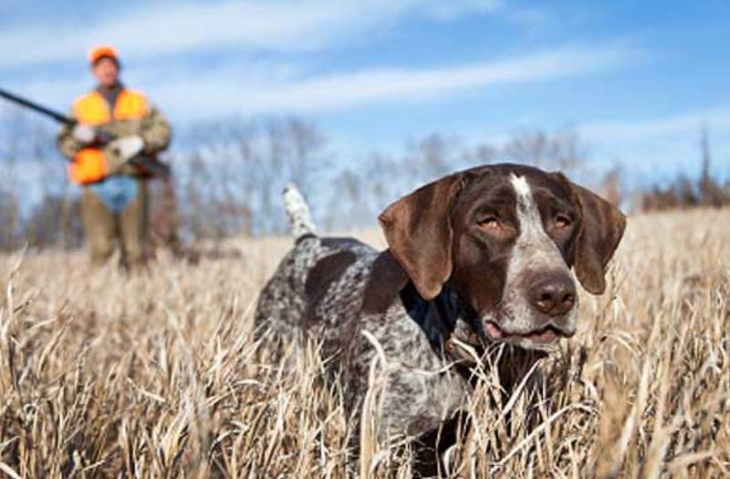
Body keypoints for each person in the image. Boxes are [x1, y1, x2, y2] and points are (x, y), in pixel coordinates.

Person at [57, 45, 171, 269]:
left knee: (137, 252)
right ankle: (99, 301)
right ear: (93, 71)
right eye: (101, 66)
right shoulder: (81, 106)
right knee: (101, 252)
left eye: (111, 65)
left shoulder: (139, 100)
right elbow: (64, 145)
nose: (107, 70)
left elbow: (163, 132)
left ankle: (139, 297)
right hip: (96, 185)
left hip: (133, 179)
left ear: (118, 68)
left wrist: (141, 143)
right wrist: (80, 138)